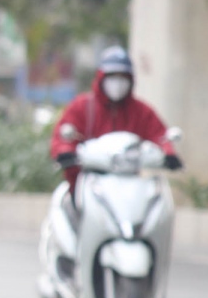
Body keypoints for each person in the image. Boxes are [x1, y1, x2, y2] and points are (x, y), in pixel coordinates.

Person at [50, 45, 182, 197]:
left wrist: (168, 153)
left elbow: (159, 135)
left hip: (129, 185)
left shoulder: (140, 111)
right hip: (88, 183)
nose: (117, 83)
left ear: (131, 79)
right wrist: (66, 151)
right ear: (101, 77)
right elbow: (63, 136)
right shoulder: (83, 107)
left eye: (123, 77)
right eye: (112, 76)